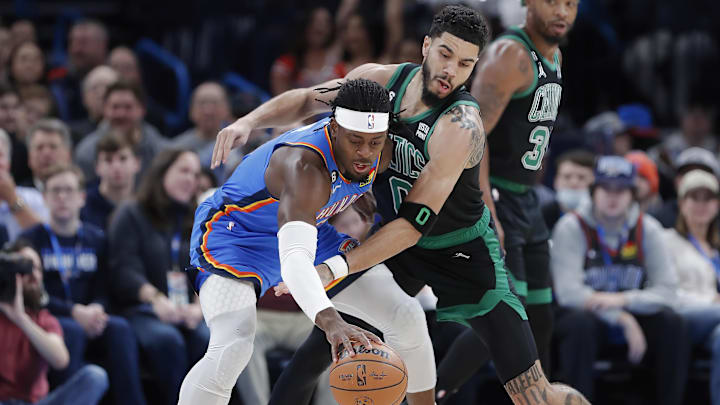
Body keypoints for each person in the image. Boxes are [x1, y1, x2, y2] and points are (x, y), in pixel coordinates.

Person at [215, 5, 589, 405]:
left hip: (461, 250)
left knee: (534, 395)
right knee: (317, 352)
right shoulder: (380, 82)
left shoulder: (460, 125)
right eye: (445, 54)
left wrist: (334, 267)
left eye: (465, 63)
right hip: (396, 246)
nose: (451, 70)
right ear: (426, 46)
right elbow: (308, 99)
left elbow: (414, 224)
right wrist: (248, 122)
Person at [179, 78, 437, 405]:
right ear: (333, 129)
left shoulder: (381, 151)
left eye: (374, 143)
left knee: (406, 315)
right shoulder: (305, 166)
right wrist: (330, 322)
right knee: (234, 344)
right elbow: (295, 262)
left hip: (306, 228)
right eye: (355, 141)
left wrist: (351, 194)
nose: (365, 154)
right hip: (234, 235)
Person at [425, 0, 578, 398]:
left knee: (542, 316)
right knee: (506, 315)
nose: (562, 11)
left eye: (571, 3)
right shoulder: (511, 56)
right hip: (497, 195)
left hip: (526, 198)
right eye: (552, 2)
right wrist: (486, 207)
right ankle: (433, 394)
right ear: (527, 3)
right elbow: (472, 134)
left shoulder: (554, 56)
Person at [550, 156, 689, 403]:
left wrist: (622, 300)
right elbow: (568, 293)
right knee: (578, 324)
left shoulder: (648, 228)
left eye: (621, 190)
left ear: (632, 195)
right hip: (589, 320)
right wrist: (621, 318)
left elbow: (668, 292)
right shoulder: (572, 227)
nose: (612, 197)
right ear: (594, 191)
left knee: (673, 324)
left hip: (630, 313)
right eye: (606, 188)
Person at [19, 164, 146, 405]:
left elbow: (105, 288)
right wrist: (74, 312)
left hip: (91, 315)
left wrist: (97, 308)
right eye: (55, 191)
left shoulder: (96, 238)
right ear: (44, 198)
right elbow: (31, 292)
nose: (62, 197)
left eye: (68, 190)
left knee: (120, 328)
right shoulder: (31, 239)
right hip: (50, 315)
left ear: (81, 198)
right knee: (73, 331)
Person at [108, 149, 208, 405]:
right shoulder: (132, 212)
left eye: (195, 174)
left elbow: (205, 268)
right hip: (141, 309)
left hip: (185, 310)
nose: (191, 179)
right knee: (168, 340)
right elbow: (123, 269)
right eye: (183, 171)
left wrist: (199, 307)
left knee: (208, 338)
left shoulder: (196, 217)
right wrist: (156, 300)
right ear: (162, 172)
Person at [0, 239, 109, 405]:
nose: (33, 274)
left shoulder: (44, 319)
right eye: (24, 267)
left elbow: (60, 360)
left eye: (37, 268)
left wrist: (20, 318)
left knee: (95, 376)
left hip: (35, 402)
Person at [664, 169, 720, 405]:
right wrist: (711, 302)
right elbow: (667, 291)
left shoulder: (717, 247)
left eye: (708, 198)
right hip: (682, 315)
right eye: (694, 197)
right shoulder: (666, 240)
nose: (701, 204)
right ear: (681, 202)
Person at [74, 81, 168, 182]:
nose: (121, 114)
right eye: (115, 107)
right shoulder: (87, 153)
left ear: (142, 110)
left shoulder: (160, 151)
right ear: (105, 109)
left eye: (128, 107)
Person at [80, 131, 140, 231]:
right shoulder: (82, 204)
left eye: (123, 159)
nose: (116, 167)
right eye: (108, 160)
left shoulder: (146, 205)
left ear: (137, 163)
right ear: (97, 167)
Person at [0, 128, 47, 241]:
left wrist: (13, 199)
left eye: (0, 155)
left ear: (9, 162)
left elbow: (48, 239)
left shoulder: (33, 197)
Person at [542, 149, 595, 229]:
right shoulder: (541, 215)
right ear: (555, 181)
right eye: (567, 176)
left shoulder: (604, 217)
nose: (573, 183)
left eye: (581, 177)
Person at [25, 119, 73, 191]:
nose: (46, 153)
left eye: (53, 147)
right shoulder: (17, 194)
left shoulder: (83, 192)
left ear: (68, 155)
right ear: (29, 156)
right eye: (39, 148)